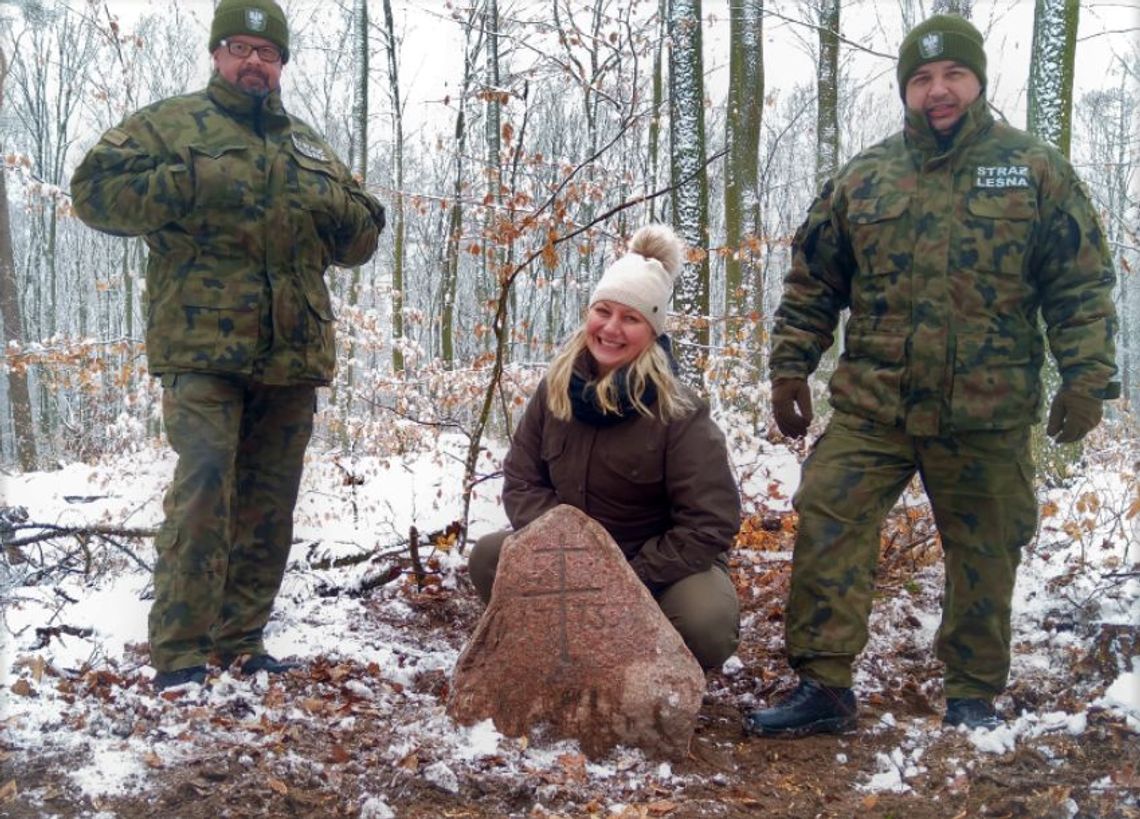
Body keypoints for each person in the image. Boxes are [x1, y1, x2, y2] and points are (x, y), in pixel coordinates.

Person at [743, 14, 1119, 736]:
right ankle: (824, 684)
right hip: (874, 405)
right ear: (905, 91)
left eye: (952, 76)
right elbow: (814, 280)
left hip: (987, 408)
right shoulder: (865, 176)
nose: (937, 91)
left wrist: (1085, 377)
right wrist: (792, 366)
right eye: (921, 79)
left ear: (978, 81)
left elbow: (1079, 283)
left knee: (986, 545)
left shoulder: (1034, 171)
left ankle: (972, 692)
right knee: (828, 515)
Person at [70, 0, 386, 691]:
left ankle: (243, 638)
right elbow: (92, 192)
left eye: (266, 53)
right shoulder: (171, 124)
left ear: (280, 66)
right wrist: (182, 184)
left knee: (270, 499)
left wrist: (335, 210)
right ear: (217, 54)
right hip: (202, 349)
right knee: (206, 482)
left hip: (292, 353)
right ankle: (181, 649)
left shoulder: (305, 144)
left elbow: (364, 232)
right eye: (240, 48)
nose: (253, 62)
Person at [468, 225, 742, 670]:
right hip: (567, 556)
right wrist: (567, 552)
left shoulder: (680, 411)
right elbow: (521, 481)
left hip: (654, 569)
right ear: (588, 314)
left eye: (631, 318)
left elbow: (710, 523)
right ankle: (561, 649)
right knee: (488, 558)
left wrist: (627, 576)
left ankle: (640, 662)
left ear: (652, 332)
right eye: (603, 311)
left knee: (705, 623)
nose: (611, 329)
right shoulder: (553, 391)